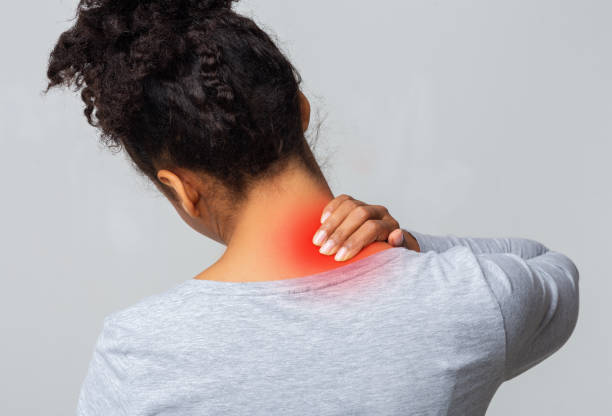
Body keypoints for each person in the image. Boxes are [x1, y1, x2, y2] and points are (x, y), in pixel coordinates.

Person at [45, 1, 580, 415]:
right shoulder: (466, 299)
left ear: (182, 188)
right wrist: (413, 248)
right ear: (299, 111)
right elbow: (553, 267)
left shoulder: (137, 352)